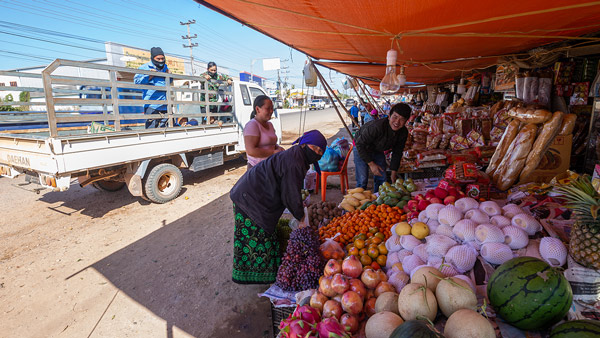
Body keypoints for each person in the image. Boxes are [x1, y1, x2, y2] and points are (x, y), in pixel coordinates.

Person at [229, 130, 327, 284]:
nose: (317, 152)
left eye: (320, 151)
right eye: (314, 148)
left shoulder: (297, 156)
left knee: (269, 236)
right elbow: (290, 194)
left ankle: (272, 273)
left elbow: (289, 187)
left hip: (254, 195)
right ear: (304, 144)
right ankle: (256, 278)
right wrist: (300, 216)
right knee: (258, 240)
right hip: (249, 199)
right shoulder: (295, 161)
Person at [354, 103, 410, 193]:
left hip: (377, 149)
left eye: (402, 119)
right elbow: (360, 144)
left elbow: (397, 152)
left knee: (382, 178)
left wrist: (393, 172)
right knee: (362, 179)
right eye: (395, 117)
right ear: (389, 116)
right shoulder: (376, 127)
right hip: (361, 146)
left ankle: (378, 202)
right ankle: (358, 204)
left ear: (406, 121)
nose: (397, 122)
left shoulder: (403, 133)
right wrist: (371, 164)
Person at [243, 95, 284, 169]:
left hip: (270, 167)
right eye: (268, 109)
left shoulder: (270, 125)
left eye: (272, 108)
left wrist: (279, 148)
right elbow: (251, 151)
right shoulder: (252, 125)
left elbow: (272, 144)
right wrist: (273, 153)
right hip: (257, 170)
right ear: (258, 109)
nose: (271, 111)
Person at [134, 47, 171, 129]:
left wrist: (170, 75)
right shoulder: (144, 68)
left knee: (166, 129)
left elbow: (168, 83)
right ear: (153, 58)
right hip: (152, 105)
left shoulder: (165, 68)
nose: (161, 61)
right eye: (158, 59)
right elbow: (136, 82)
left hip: (165, 104)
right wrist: (149, 76)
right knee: (152, 129)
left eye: (162, 58)